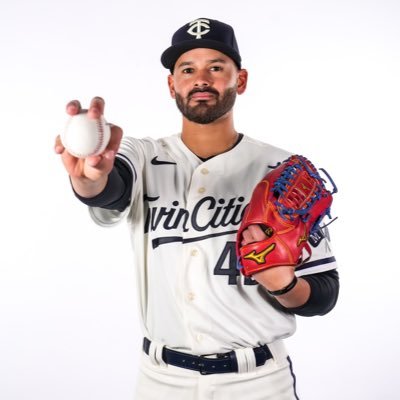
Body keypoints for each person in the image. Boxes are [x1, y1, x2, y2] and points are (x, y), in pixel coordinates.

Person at [55, 18, 339, 400]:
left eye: (216, 67)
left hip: (257, 383)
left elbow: (325, 292)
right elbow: (110, 187)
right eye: (187, 69)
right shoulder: (143, 155)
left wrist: (285, 286)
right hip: (160, 382)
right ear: (172, 85)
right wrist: (89, 178)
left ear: (241, 80)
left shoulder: (283, 172)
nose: (201, 78)